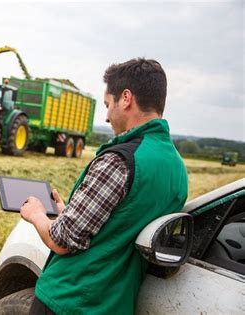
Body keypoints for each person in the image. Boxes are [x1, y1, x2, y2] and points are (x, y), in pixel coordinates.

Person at [20, 58, 188, 315]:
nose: (107, 116)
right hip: (116, 303)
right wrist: (69, 212)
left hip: (72, 298)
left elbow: (61, 240)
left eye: (108, 105)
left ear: (126, 98)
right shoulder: (176, 167)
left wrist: (37, 215)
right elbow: (122, 224)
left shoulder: (119, 160)